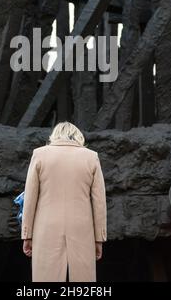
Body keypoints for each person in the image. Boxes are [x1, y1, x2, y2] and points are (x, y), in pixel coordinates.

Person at [21, 121, 107, 282]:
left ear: (54, 136)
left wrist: (27, 234)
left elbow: (30, 199)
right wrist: (99, 238)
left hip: (46, 227)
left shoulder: (39, 154)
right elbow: (99, 203)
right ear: (78, 137)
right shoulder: (91, 157)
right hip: (82, 228)